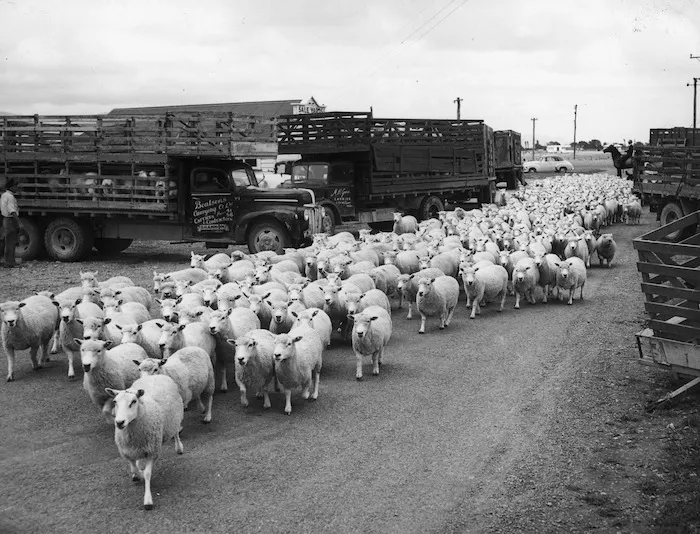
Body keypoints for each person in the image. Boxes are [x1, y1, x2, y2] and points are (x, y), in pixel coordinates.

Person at [0, 177, 21, 267]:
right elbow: (12, 211)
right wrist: (19, 222)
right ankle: (9, 262)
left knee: (6, 240)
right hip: (10, 220)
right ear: (11, 187)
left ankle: (8, 260)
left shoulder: (4, 195)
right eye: (15, 186)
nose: (17, 188)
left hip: (5, 219)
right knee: (10, 241)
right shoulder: (10, 197)